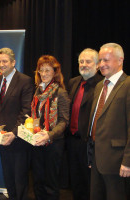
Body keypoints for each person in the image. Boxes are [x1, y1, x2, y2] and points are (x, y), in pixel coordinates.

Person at [0, 47, 34, 200]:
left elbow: (26, 111)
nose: (1, 64)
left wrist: (13, 134)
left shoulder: (25, 81)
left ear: (13, 62)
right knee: (8, 178)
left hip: (18, 139)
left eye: (5, 61)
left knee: (20, 180)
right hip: (1, 139)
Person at [88, 43, 130, 200]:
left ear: (120, 60)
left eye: (106, 60)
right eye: (99, 61)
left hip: (117, 162)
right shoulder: (100, 86)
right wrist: (90, 154)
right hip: (97, 160)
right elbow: (95, 123)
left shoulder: (128, 85)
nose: (101, 65)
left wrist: (128, 161)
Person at [31, 55, 70, 200]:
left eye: (48, 70)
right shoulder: (37, 92)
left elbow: (64, 121)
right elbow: (35, 117)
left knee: (51, 184)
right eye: (41, 70)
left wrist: (48, 135)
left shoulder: (60, 92)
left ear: (55, 72)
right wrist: (34, 131)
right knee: (37, 182)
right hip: (37, 142)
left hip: (53, 143)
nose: (44, 73)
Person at [66, 48, 103, 200]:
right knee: (75, 182)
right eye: (81, 61)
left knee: (91, 184)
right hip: (72, 141)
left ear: (97, 65)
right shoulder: (73, 82)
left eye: (88, 61)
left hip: (90, 144)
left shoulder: (102, 85)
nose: (84, 65)